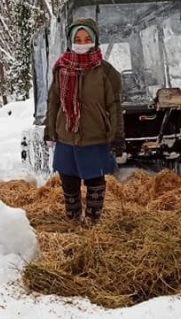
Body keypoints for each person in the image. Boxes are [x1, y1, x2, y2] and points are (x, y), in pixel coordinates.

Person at [44, 18, 124, 225]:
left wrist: (117, 135)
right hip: (66, 136)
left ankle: (92, 222)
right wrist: (50, 129)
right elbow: (53, 101)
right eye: (78, 39)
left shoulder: (106, 72)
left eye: (87, 38)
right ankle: (73, 220)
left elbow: (114, 105)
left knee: (95, 180)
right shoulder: (61, 68)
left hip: (94, 136)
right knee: (68, 180)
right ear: (71, 40)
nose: (82, 43)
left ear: (95, 40)